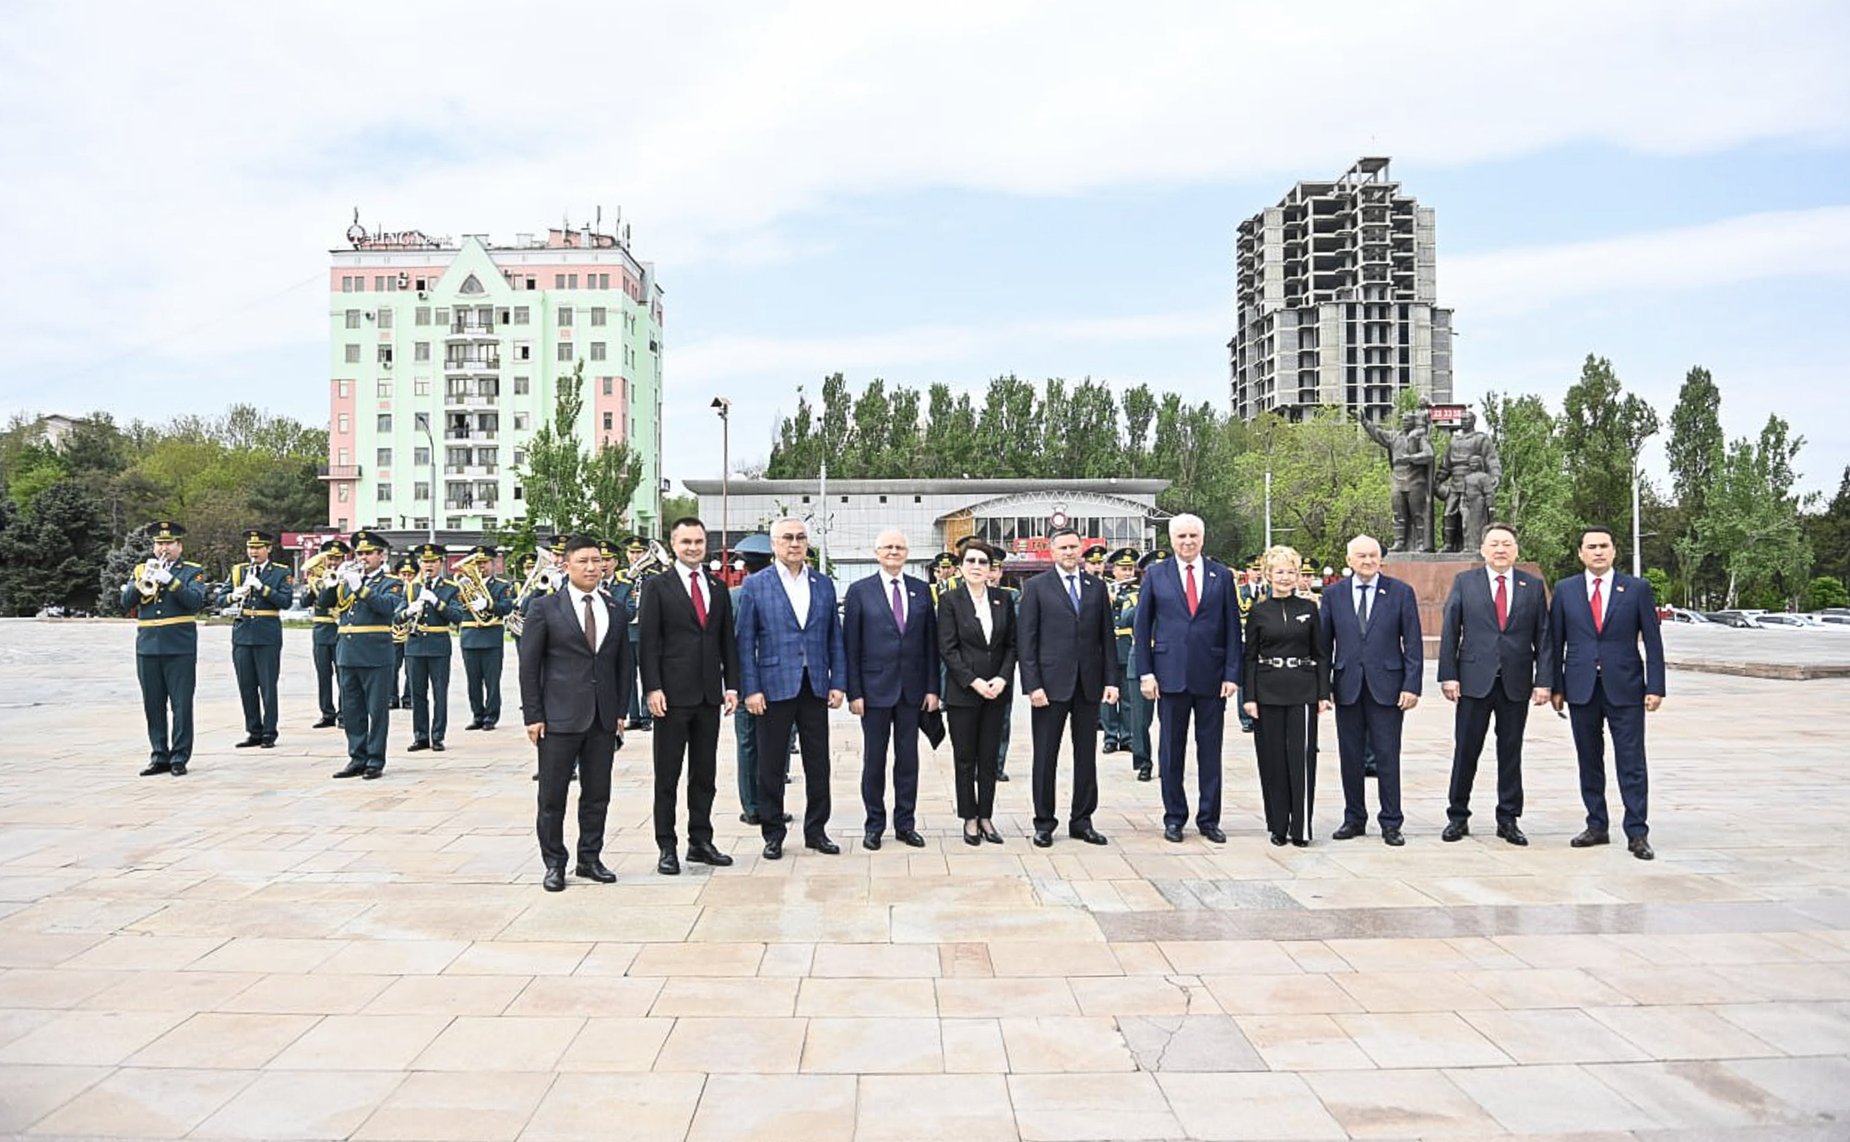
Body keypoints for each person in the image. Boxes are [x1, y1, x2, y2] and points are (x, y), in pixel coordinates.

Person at [519, 535, 632, 891]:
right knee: (552, 797)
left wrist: (619, 712)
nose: (591, 567)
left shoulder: (614, 607)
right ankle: (554, 863)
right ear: (566, 565)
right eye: (583, 561)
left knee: (597, 793)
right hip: (558, 718)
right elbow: (529, 665)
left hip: (601, 718)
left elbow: (623, 665)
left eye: (596, 560)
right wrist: (533, 715)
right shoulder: (545, 608)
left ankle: (590, 858)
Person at [1550, 525, 1666, 860]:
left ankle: (1637, 832)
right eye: (1591, 547)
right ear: (1580, 553)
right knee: (1589, 759)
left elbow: (1653, 641)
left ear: (1614, 551)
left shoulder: (1636, 589)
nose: (1598, 552)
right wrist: (1556, 685)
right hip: (1581, 687)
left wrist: (1655, 685)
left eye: (1604, 546)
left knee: (1631, 762)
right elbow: (1555, 642)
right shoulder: (1566, 590)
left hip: (1626, 687)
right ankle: (1597, 824)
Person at [736, 517, 847, 859]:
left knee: (818, 763)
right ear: (774, 545)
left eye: (800, 537)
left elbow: (834, 638)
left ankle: (816, 831)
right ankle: (773, 833)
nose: (794, 543)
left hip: (814, 685)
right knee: (770, 764)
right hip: (772, 688)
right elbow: (745, 642)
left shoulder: (823, 584)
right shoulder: (757, 585)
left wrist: (838, 682)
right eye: (787, 538)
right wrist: (750, 690)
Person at [1438, 522, 1552, 845]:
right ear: (1483, 550)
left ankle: (1509, 818)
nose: (1500, 549)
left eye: (1507, 544)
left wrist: (1543, 681)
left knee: (1511, 752)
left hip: (1516, 682)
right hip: (1474, 681)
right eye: (1494, 544)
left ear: (1516, 550)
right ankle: (1457, 816)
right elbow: (1450, 631)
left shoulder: (1532, 585)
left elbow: (1544, 637)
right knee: (1466, 751)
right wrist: (1448, 674)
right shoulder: (1465, 582)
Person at [1132, 514, 1242, 844]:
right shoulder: (1156, 575)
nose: (1188, 542)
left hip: (1211, 677)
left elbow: (1233, 628)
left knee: (1210, 751)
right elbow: (1142, 626)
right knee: (1171, 751)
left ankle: (1209, 818)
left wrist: (1232, 674)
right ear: (1172, 539)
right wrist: (1146, 673)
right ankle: (1174, 817)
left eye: (1193, 535)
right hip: (1170, 677)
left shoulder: (1220, 575)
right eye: (1181, 536)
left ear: (1203, 539)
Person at [640, 517, 741, 876]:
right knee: (667, 776)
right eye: (686, 542)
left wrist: (732, 685)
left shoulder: (717, 587)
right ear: (673, 545)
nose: (694, 548)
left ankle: (700, 840)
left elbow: (727, 640)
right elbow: (648, 643)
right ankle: (666, 846)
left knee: (705, 774)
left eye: (698, 541)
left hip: (708, 696)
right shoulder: (657, 587)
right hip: (670, 696)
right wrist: (652, 687)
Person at [1018, 527, 1120, 847]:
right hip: (1050, 686)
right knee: (1046, 756)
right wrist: (1032, 685)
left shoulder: (1096, 587)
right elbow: (1027, 640)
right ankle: (1044, 822)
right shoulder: (1035, 587)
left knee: (1086, 756)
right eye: (1062, 547)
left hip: (1088, 685)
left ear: (1082, 549)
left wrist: (1111, 681)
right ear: (1051, 551)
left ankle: (1082, 820)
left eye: (1074, 546)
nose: (1069, 552)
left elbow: (1107, 638)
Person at [1322, 534, 1422, 845]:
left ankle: (1391, 821)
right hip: (1348, 686)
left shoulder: (1400, 592)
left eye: (1373, 555)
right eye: (1361, 556)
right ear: (1349, 560)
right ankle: (1354, 818)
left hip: (1388, 688)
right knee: (1350, 756)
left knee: (1387, 756)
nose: (1368, 561)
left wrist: (1411, 685)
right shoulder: (1334, 594)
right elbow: (1324, 645)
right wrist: (1322, 689)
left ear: (1381, 558)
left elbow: (1414, 644)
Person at [843, 529, 940, 851]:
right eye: (888, 547)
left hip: (912, 691)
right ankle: (874, 825)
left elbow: (930, 644)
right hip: (873, 691)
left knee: (908, 760)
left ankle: (905, 823)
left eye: (899, 547)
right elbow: (850, 646)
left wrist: (932, 689)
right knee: (874, 761)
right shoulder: (860, 591)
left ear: (907, 552)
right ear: (876, 552)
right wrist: (853, 692)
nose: (894, 552)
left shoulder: (921, 590)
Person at [1241, 545, 1331, 846]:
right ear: (1268, 575)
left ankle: (1300, 828)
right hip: (1267, 692)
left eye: (1291, 571)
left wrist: (1322, 693)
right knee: (1272, 760)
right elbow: (1250, 657)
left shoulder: (1309, 609)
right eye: (1279, 571)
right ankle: (1278, 825)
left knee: (1300, 759)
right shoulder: (1258, 611)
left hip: (1302, 690)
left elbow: (1320, 653)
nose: (1285, 577)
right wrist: (1249, 697)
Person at [937, 540, 1017, 846]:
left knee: (989, 759)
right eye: (970, 561)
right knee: (965, 758)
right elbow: (947, 648)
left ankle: (986, 815)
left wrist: (1002, 678)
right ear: (960, 567)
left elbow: (1012, 644)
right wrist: (973, 681)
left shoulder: (1003, 600)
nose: (976, 566)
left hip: (996, 692)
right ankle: (969, 817)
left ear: (990, 569)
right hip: (964, 694)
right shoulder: (950, 600)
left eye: (983, 562)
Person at [121, 521, 208, 776]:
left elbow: (194, 603)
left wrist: (170, 580)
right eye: (159, 543)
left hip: (179, 646)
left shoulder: (191, 571)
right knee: (153, 704)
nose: (163, 548)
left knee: (181, 705)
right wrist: (142, 582)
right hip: (148, 646)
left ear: (179, 546)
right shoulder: (140, 570)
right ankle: (159, 754)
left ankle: (179, 756)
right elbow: (125, 603)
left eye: (169, 543)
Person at [326, 531, 405, 780]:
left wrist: (360, 588)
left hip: (375, 654)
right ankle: (356, 757)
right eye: (359, 553)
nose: (363, 557)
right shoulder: (348, 579)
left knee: (376, 711)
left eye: (369, 553)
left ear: (381, 556)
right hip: (347, 653)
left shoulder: (391, 582)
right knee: (351, 710)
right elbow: (324, 604)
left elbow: (386, 607)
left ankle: (375, 760)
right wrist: (331, 585)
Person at [228, 529, 292, 748]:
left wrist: (262, 588)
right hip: (243, 632)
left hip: (267, 634)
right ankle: (253, 730)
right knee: (246, 685)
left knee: (267, 685)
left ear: (268, 549)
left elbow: (285, 601)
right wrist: (232, 595)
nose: (253, 552)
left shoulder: (280, 572)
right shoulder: (238, 571)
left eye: (257, 548)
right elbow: (219, 598)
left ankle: (269, 732)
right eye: (250, 548)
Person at [401, 544, 466, 753]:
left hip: (438, 644)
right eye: (424, 561)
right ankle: (420, 736)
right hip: (415, 644)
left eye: (433, 561)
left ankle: (437, 736)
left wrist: (437, 603)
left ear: (441, 563)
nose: (428, 565)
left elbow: (457, 617)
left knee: (440, 693)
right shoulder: (411, 587)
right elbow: (396, 615)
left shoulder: (450, 588)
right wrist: (409, 611)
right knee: (417, 694)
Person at [459, 544, 516, 731]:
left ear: (493, 564)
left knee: (492, 681)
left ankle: (491, 716)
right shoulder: (464, 585)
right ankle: (477, 715)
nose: (480, 567)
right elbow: (456, 609)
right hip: (469, 637)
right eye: (476, 563)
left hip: (491, 637)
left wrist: (488, 604)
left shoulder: (501, 586)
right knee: (473, 681)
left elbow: (507, 607)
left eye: (484, 563)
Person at [1362, 412, 1436, 553]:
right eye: (1403, 420)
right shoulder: (1395, 436)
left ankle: (1421, 543)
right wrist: (1366, 422)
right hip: (1397, 479)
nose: (1405, 422)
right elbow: (1378, 434)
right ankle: (1399, 542)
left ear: (1414, 422)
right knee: (1398, 514)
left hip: (1415, 481)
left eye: (1408, 420)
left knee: (1417, 514)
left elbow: (1429, 454)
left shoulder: (1419, 437)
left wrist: (1411, 458)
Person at [1115, 548, 1156, 781]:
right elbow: (1127, 618)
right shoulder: (1134, 596)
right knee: (1139, 719)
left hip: (1167, 661)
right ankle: (1143, 761)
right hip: (1139, 659)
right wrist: (1146, 597)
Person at [614, 535, 658, 733]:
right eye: (632, 552)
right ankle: (634, 716)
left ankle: (647, 715)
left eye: (639, 552)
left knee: (648, 673)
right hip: (626, 630)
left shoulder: (654, 575)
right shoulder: (621, 576)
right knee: (627, 675)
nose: (635, 556)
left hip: (647, 630)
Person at [309, 537, 351, 730]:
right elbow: (303, 602)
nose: (333, 562)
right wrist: (315, 586)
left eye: (337, 558)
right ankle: (327, 713)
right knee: (323, 675)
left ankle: (344, 713)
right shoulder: (317, 579)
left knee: (344, 675)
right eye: (330, 559)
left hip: (340, 631)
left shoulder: (346, 579)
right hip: (321, 631)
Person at [989, 550, 1019, 782]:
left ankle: (997, 765)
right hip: (974, 669)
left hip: (1002, 667)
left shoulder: (1011, 597)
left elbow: (1015, 633)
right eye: (988, 568)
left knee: (1003, 719)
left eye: (995, 569)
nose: (990, 574)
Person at [390, 555, 418, 707]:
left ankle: (408, 698)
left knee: (411, 669)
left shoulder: (418, 589)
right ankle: (391, 697)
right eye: (403, 574)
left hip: (412, 633)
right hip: (394, 633)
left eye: (410, 574)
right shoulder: (393, 589)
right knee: (392, 666)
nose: (406, 577)